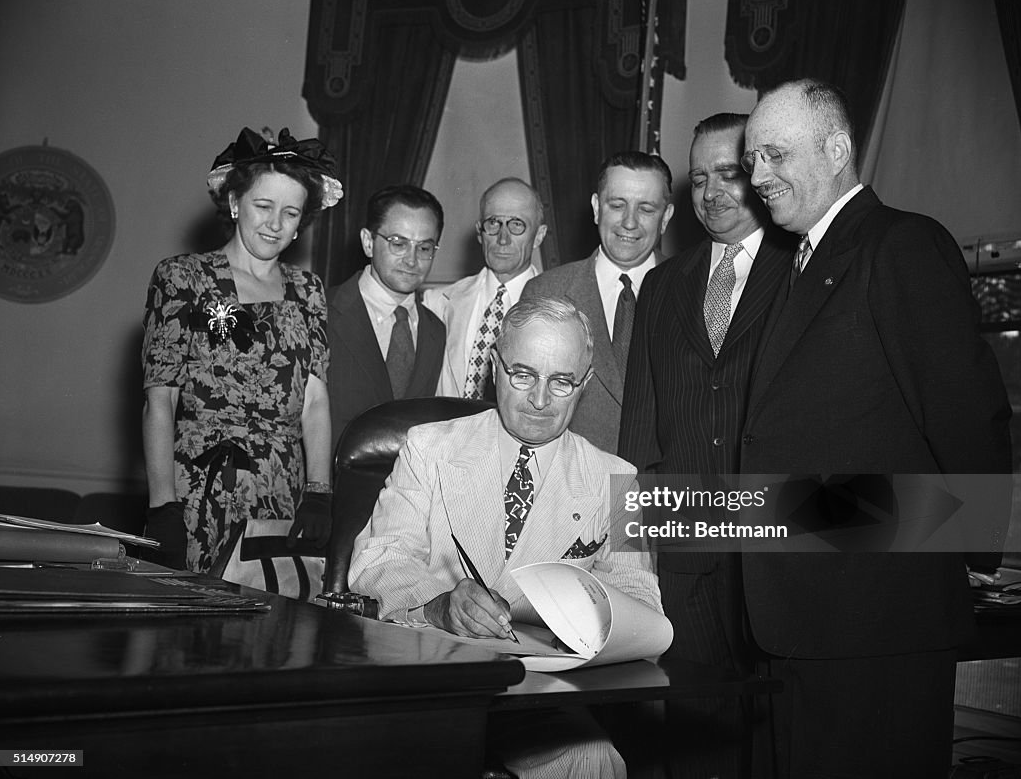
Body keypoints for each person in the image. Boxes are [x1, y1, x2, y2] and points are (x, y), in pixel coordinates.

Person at [740, 79, 1013, 776]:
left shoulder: (901, 245)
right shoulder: (794, 264)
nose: (758, 178)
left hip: (877, 619)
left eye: (774, 153)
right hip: (802, 618)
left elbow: (966, 414)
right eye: (751, 160)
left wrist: (969, 549)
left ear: (837, 150)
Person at [349, 296, 662, 778]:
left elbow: (641, 605)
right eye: (523, 374)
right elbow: (379, 560)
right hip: (428, 677)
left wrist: (577, 623)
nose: (540, 400)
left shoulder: (616, 482)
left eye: (561, 382)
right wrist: (438, 603)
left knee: (592, 760)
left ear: (585, 383)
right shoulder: (428, 447)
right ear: (495, 366)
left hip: (538, 695)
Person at [618, 113, 795, 778]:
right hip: (685, 548)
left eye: (729, 172)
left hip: (779, 545)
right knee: (696, 733)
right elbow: (642, 422)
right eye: (699, 178)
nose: (713, 191)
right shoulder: (664, 284)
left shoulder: (802, 270)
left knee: (776, 732)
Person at [142, 127, 342, 572]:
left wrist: (319, 492)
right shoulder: (183, 277)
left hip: (283, 494)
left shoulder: (308, 290)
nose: (275, 224)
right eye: (264, 206)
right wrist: (163, 508)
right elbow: (160, 402)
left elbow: (314, 401)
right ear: (235, 204)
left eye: (290, 213)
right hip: (200, 491)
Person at [521, 152, 674, 453]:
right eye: (617, 205)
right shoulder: (545, 292)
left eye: (646, 208)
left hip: (663, 490)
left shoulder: (696, 291)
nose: (629, 222)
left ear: (666, 217)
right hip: (571, 486)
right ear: (596, 208)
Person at [326, 185, 446, 448]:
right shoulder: (322, 312)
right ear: (368, 242)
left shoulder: (436, 330)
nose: (411, 260)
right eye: (399, 244)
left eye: (424, 248)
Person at [424, 177, 545, 401]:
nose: (503, 238)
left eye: (517, 224)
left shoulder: (558, 305)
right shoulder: (436, 302)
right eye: (493, 223)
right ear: (480, 232)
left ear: (538, 236)